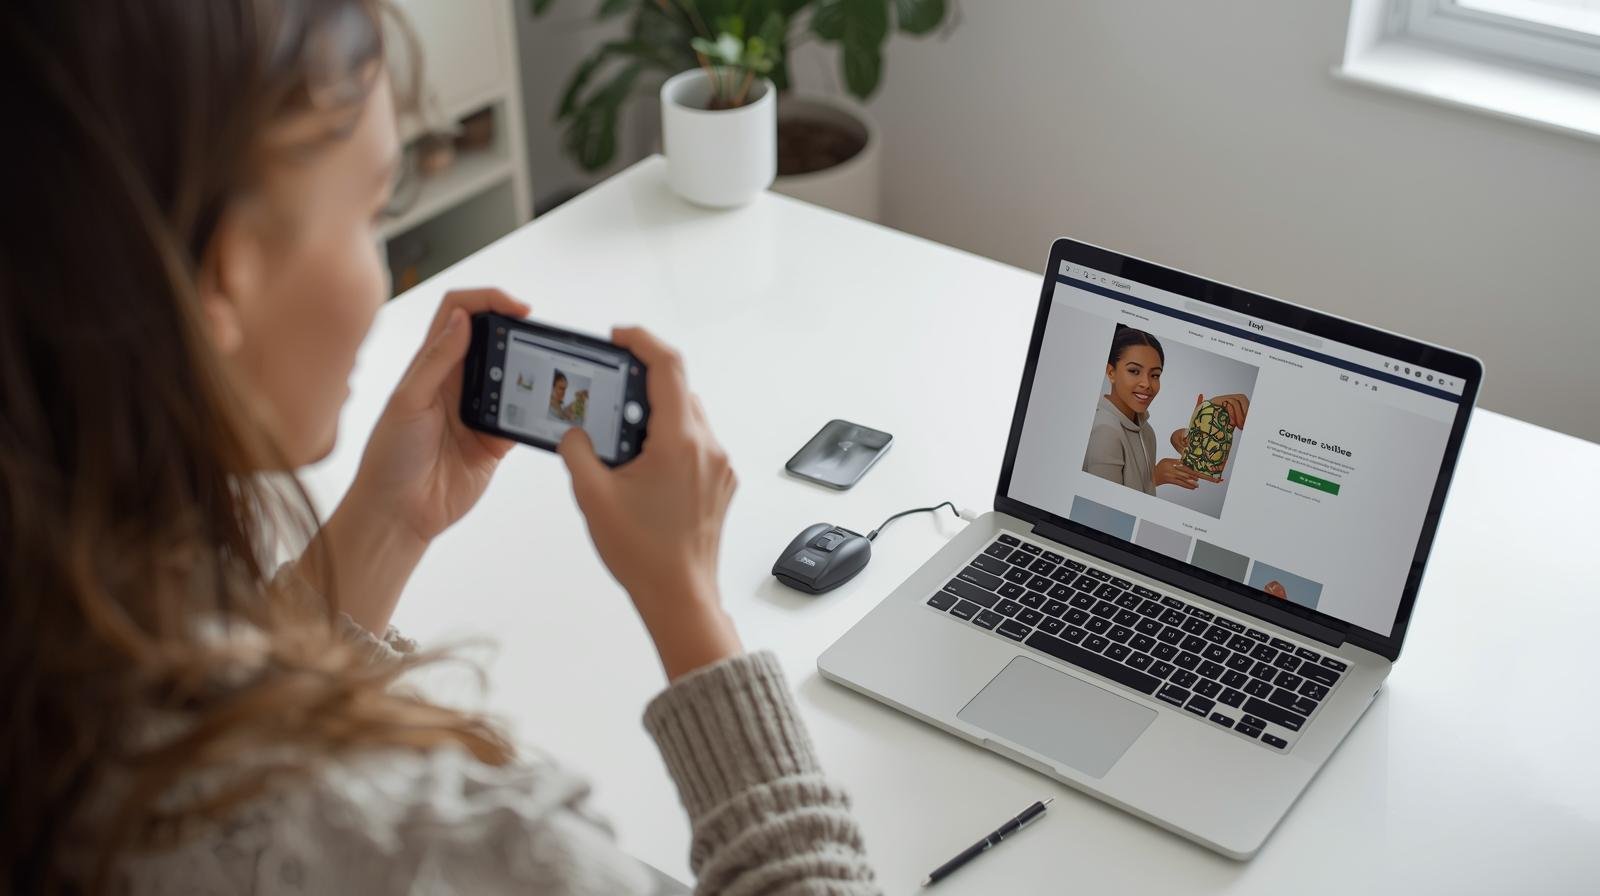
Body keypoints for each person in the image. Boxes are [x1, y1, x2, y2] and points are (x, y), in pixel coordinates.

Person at [0, 2, 877, 892]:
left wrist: (389, 522)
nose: (383, 268)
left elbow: (229, 719)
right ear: (226, 276)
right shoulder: (432, 844)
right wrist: (689, 602)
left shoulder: (60, 670)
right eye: (372, 211)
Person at [1082, 325, 1250, 496]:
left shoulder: (1146, 431)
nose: (1146, 384)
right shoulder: (1105, 431)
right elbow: (1104, 503)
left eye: (1155, 375)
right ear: (1111, 372)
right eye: (1134, 371)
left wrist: (1203, 419)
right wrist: (1155, 477)